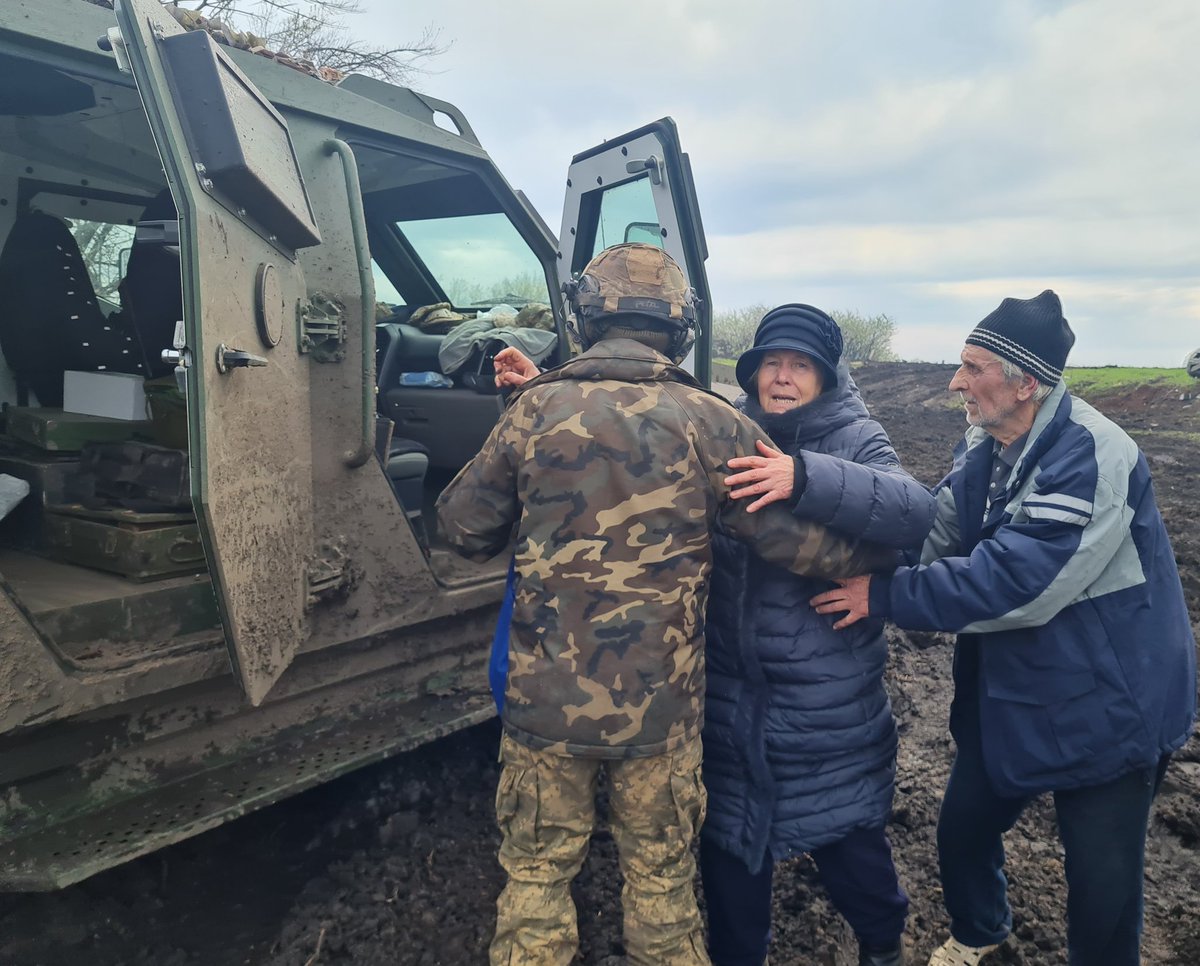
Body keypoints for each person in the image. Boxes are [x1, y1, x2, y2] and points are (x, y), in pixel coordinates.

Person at [435, 243, 888, 966]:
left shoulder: (534, 412)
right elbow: (798, 547)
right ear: (679, 326)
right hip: (662, 717)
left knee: (536, 880)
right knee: (662, 889)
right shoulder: (710, 420)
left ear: (586, 316)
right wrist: (881, 558)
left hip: (543, 710)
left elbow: (460, 527)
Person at [810, 290, 1197, 966]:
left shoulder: (1095, 454)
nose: (956, 381)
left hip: (1110, 701)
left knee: (1102, 887)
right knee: (963, 830)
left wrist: (885, 596)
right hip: (1019, 687)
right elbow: (937, 530)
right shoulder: (984, 441)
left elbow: (1022, 582)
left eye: (972, 366)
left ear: (1026, 383)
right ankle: (981, 934)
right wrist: (840, 553)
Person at [699, 304, 937, 966]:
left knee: (850, 853)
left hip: (823, 708)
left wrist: (800, 477)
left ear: (826, 376)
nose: (781, 376)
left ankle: (884, 948)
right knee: (729, 861)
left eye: (799, 364)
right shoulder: (728, 433)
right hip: (729, 702)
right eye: (770, 362)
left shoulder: (857, 437)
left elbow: (916, 512)